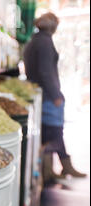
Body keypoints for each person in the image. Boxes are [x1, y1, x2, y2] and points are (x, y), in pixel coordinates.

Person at [23, 12, 86, 182]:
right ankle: (57, 169)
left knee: (50, 133)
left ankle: (53, 170)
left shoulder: (35, 40)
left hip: (40, 93)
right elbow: (45, 72)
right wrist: (56, 95)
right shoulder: (44, 42)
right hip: (47, 95)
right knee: (54, 132)